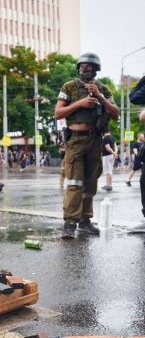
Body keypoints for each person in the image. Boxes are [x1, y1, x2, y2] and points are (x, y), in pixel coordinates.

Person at [55, 52, 119, 239]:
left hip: (95, 140)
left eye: (90, 66)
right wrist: (80, 103)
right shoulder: (69, 87)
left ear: (96, 70)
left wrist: (100, 96)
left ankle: (85, 221)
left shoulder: (103, 89)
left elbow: (115, 113)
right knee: (74, 182)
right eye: (82, 66)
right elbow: (58, 113)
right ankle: (69, 223)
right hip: (75, 140)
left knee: (90, 183)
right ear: (78, 68)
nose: (85, 68)